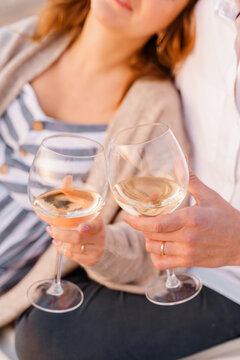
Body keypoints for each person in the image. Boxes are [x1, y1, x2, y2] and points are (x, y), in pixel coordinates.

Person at [13, 1, 240, 360]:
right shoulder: (205, 16)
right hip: (179, 254)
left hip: (226, 282)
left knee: (51, 337)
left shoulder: (153, 97)